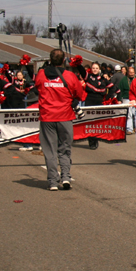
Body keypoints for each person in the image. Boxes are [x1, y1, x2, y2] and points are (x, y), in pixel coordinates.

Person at [34, 49, 86, 191]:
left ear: (50, 60)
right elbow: (79, 95)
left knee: (50, 150)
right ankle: (65, 177)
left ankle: (52, 181)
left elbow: (36, 88)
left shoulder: (41, 75)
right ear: (64, 60)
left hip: (47, 117)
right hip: (65, 117)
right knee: (65, 149)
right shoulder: (69, 76)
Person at [83, 61, 114, 150]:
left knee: (97, 122)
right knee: (89, 122)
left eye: (96, 68)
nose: (95, 70)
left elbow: (113, 87)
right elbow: (81, 71)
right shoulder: (88, 77)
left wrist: (108, 97)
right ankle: (91, 141)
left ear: (99, 69)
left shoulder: (103, 79)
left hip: (99, 101)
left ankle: (95, 139)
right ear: (91, 69)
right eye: (93, 68)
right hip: (89, 101)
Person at [119, 66, 136, 134]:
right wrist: (119, 99)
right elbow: (120, 90)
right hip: (126, 99)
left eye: (133, 72)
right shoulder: (123, 80)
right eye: (130, 72)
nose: (131, 74)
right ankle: (129, 129)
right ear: (128, 72)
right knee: (129, 114)